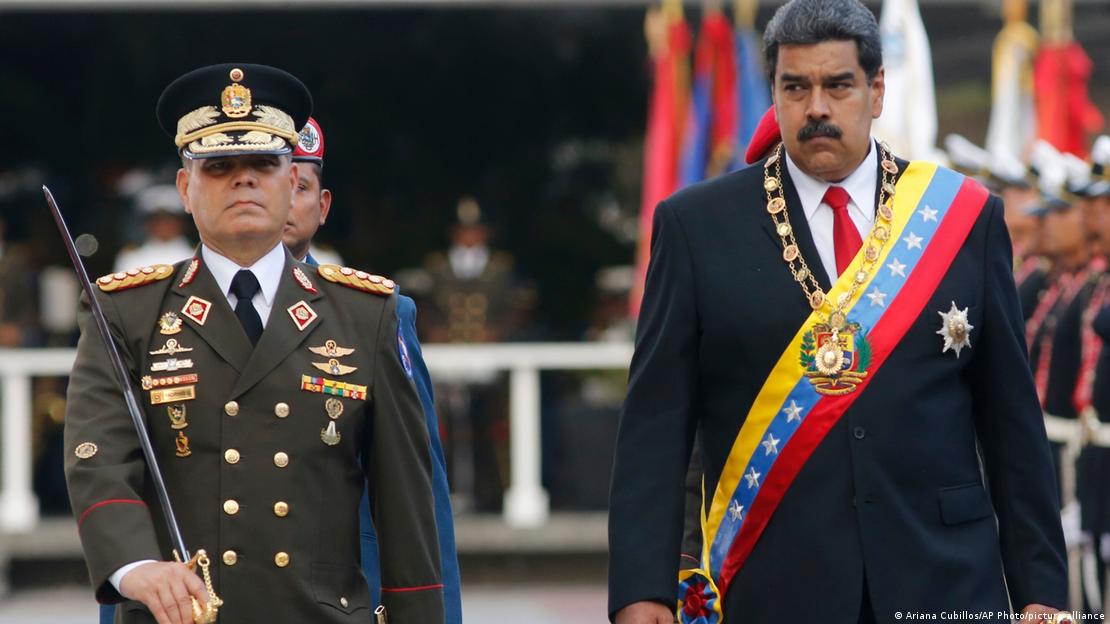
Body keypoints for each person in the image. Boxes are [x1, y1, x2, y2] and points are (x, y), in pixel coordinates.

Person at [608, 2, 1068, 623]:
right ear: (774, 94)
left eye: (838, 85)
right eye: (795, 88)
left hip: (944, 579)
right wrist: (642, 589)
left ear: (877, 92)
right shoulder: (697, 227)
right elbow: (655, 427)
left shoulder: (964, 218)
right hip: (775, 584)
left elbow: (1012, 424)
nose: (817, 108)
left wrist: (1043, 591)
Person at [66, 63, 443, 624]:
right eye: (219, 167)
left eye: (264, 164)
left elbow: (405, 505)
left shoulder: (366, 315)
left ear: (293, 184)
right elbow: (97, 457)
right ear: (185, 189)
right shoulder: (125, 312)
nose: (243, 180)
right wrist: (135, 566)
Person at [283, 116, 462, 623]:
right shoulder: (157, 312)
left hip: (344, 593)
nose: (282, 201)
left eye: (299, 187)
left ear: (323, 207)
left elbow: (418, 488)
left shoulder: (375, 314)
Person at [113, 184, 195, 273]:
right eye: (158, 220)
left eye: (169, 220)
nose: (164, 226)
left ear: (181, 223)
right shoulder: (131, 257)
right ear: (147, 224)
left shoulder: (195, 255)